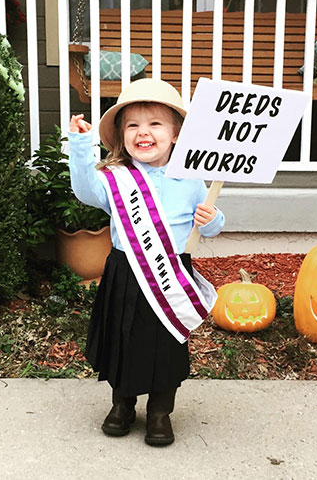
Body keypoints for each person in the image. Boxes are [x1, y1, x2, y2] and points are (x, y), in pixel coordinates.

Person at [69, 78, 225, 446]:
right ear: (121, 135)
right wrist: (79, 145)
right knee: (122, 341)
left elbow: (213, 223)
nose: (144, 132)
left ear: (175, 134)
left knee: (165, 344)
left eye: (155, 123)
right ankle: (122, 404)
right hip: (125, 273)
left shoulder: (191, 180)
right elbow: (84, 190)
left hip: (170, 274)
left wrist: (212, 219)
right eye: (133, 124)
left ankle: (160, 412)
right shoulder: (115, 179)